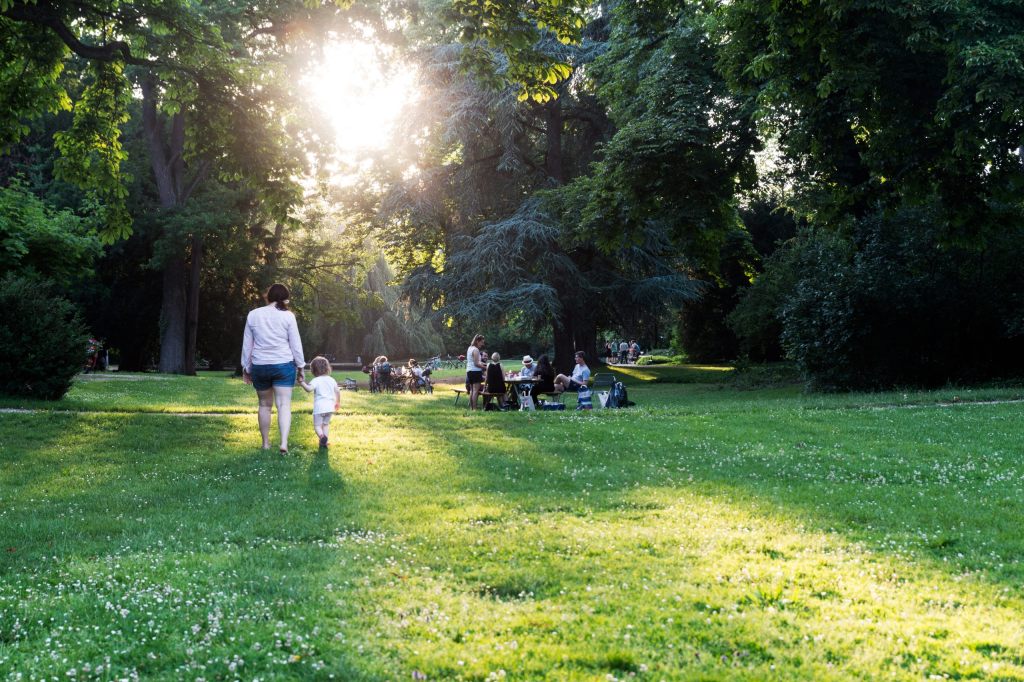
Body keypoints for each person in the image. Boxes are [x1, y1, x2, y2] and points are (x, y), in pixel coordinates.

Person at [241, 283, 305, 454]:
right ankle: (283, 443)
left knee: (264, 405)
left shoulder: (253, 315)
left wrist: (246, 368)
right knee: (284, 405)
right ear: (285, 298)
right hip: (283, 364)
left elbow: (247, 345)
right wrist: (301, 366)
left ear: (267, 296)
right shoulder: (288, 316)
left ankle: (266, 443)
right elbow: (295, 344)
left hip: (260, 365)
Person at [299, 356, 340, 448]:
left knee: (317, 426)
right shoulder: (331, 379)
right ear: (327, 367)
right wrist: (338, 402)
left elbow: (309, 389)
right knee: (325, 425)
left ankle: (322, 437)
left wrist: (302, 383)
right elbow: (337, 391)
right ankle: (324, 442)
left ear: (314, 370)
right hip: (330, 407)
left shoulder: (316, 380)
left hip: (319, 407)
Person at [465, 334, 487, 410]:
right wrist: (486, 367)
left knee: (472, 390)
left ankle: (472, 408)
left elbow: (474, 361)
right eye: (481, 342)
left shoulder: (469, 348)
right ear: (477, 341)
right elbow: (476, 363)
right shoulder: (476, 350)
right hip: (475, 372)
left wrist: (484, 364)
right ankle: (474, 408)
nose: (482, 344)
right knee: (475, 391)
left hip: (469, 371)